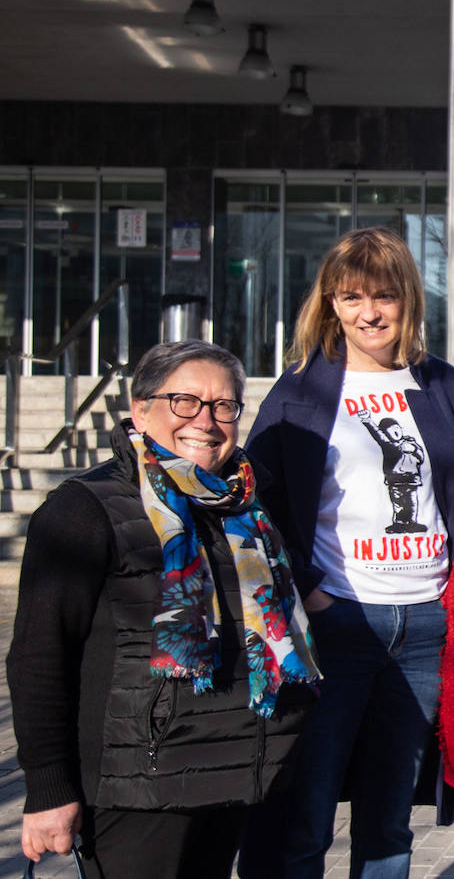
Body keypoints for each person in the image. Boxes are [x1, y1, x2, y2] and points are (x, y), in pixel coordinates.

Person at [6, 340, 320, 878]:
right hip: (137, 787)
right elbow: (39, 657)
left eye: (224, 405)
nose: (207, 420)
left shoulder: (245, 507)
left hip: (232, 774)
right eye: (185, 402)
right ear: (140, 408)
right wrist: (48, 790)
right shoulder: (83, 510)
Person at [240, 226, 454, 878]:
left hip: (423, 628)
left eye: (383, 295)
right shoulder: (301, 389)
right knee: (307, 814)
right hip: (338, 625)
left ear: (408, 298)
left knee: (389, 822)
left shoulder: (438, 382)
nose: (370, 312)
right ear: (329, 303)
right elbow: (255, 507)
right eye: (351, 297)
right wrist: (313, 591)